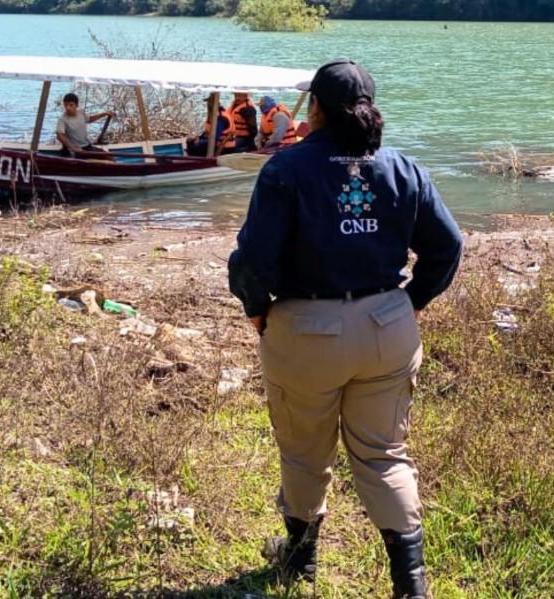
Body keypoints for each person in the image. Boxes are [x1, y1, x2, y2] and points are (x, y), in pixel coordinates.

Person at [228, 59, 463, 599]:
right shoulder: (402, 168)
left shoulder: (286, 169)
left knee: (305, 452)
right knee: (384, 455)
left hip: (306, 332)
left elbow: (253, 261)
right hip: (387, 329)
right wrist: (411, 302)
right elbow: (448, 245)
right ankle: (411, 585)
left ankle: (300, 562)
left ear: (313, 107)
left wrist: (256, 309)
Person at [55, 92, 115, 158]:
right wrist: (74, 148)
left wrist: (103, 114)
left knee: (109, 157)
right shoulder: (62, 119)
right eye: (66, 105)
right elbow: (59, 135)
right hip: (72, 150)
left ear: (76, 105)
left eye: (71, 105)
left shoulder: (81, 112)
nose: (68, 108)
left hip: (86, 147)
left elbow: (89, 119)